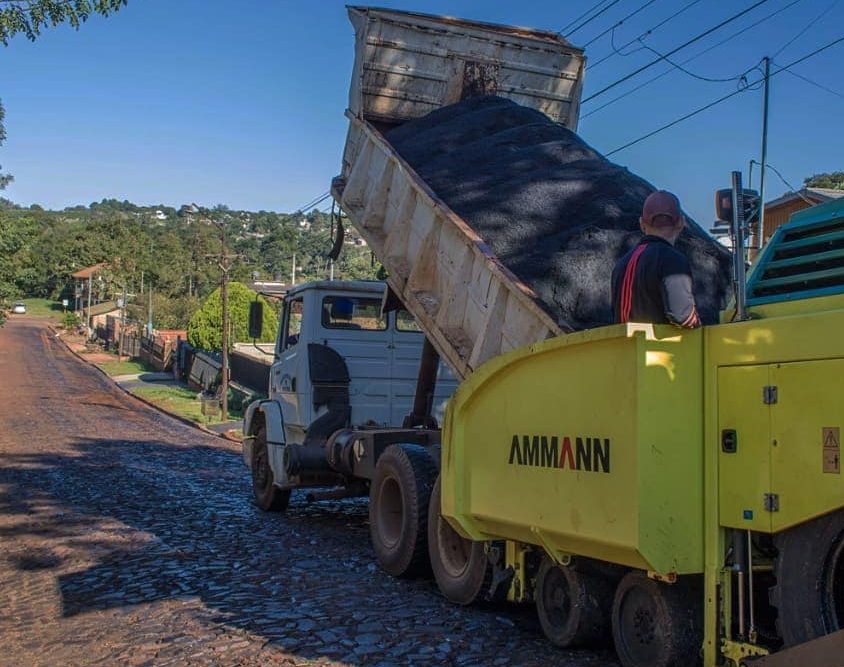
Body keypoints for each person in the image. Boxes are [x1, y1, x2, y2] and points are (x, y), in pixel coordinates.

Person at [611, 190, 700, 328]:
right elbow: (682, 316)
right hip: (660, 342)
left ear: (642, 224)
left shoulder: (621, 265)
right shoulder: (673, 259)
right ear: (681, 223)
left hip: (624, 341)